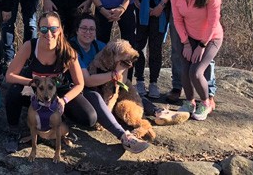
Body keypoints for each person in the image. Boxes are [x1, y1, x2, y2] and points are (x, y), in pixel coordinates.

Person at [69, 13, 189, 153]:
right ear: (77, 30)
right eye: (84, 28)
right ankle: (125, 135)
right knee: (100, 97)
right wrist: (115, 74)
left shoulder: (101, 46)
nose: (88, 32)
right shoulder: (72, 49)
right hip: (83, 89)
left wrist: (122, 69)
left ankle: (159, 112)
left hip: (105, 86)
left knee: (126, 90)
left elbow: (122, 80)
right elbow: (87, 81)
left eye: (92, 29)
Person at [3, 11, 94, 153]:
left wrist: (64, 100)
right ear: (39, 30)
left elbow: (79, 84)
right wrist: (31, 83)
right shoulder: (30, 46)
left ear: (60, 30)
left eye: (53, 29)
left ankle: (59, 122)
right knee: (13, 93)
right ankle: (13, 131)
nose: (49, 33)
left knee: (89, 118)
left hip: (58, 92)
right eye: (44, 29)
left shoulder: (67, 51)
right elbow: (10, 75)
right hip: (35, 91)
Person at [171, 0, 223, 121]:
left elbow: (213, 23)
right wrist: (186, 43)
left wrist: (201, 45)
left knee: (196, 71)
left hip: (211, 37)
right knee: (184, 69)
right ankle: (189, 102)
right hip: (189, 36)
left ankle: (206, 102)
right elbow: (177, 20)